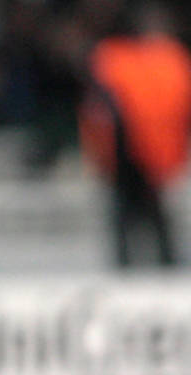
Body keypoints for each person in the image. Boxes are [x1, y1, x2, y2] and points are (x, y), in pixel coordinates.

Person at [79, 1, 191, 267]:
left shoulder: (167, 58)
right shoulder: (118, 58)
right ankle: (138, 269)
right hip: (131, 153)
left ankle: (160, 268)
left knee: (150, 218)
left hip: (154, 155)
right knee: (133, 217)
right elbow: (101, 110)